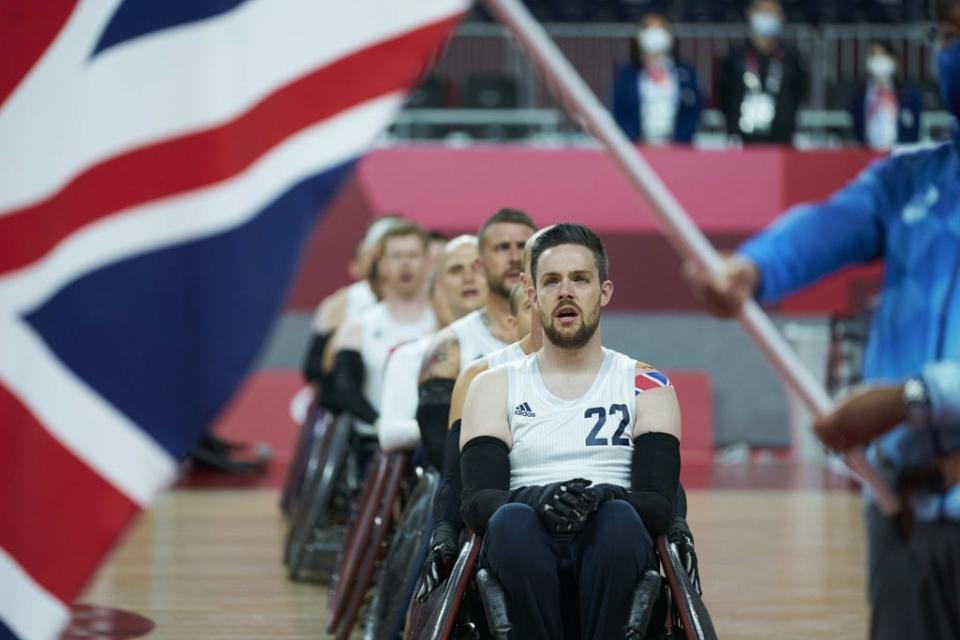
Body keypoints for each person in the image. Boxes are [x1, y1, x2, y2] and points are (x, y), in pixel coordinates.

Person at [685, 4, 960, 636]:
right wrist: (750, 270)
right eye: (947, 34)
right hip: (905, 512)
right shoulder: (912, 177)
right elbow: (827, 225)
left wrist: (914, 398)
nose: (952, 50)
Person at [459, 224, 681, 639]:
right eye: (551, 281)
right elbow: (476, 502)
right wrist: (539, 498)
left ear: (604, 292)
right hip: (523, 540)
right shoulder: (491, 385)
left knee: (619, 519)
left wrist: (602, 497)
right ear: (532, 294)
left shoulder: (649, 385)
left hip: (615, 542)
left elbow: (659, 505)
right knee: (510, 523)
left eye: (580, 279)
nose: (566, 291)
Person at [416, 208, 537, 469]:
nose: (515, 258)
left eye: (522, 247)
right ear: (480, 264)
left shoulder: (563, 337)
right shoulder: (450, 345)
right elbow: (439, 446)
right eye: (503, 248)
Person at [326, 221, 436, 436]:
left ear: (427, 263)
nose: (405, 264)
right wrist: (380, 424)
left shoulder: (445, 323)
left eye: (413, 255)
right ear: (382, 265)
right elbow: (344, 386)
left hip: (430, 443)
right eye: (396, 256)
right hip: (373, 443)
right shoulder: (359, 324)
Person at [378, 236, 486, 452]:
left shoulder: (523, 347)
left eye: (477, 267)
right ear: (439, 286)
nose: (468, 277)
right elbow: (390, 433)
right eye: (456, 270)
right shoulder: (412, 355)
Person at [301, 215, 401, 384]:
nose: (401, 263)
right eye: (391, 254)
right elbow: (315, 369)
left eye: (408, 255)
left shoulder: (432, 299)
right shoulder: (344, 302)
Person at [718, 0, 806, 145]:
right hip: (742, 141)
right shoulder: (733, 58)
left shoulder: (791, 59)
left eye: (771, 11)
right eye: (762, 10)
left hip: (781, 141)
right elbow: (724, 97)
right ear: (749, 14)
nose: (766, 16)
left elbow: (798, 94)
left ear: (781, 17)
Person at [611, 14, 703, 145]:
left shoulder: (685, 73)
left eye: (659, 29)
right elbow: (619, 112)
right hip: (638, 146)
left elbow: (694, 111)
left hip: (677, 147)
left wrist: (678, 140)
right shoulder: (627, 74)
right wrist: (637, 140)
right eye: (649, 29)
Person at [850, 40, 922, 150]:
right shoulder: (859, 96)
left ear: (893, 61)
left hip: (899, 155)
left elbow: (914, 129)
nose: (878, 61)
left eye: (882, 55)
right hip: (868, 154)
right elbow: (857, 128)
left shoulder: (908, 95)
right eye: (874, 55)